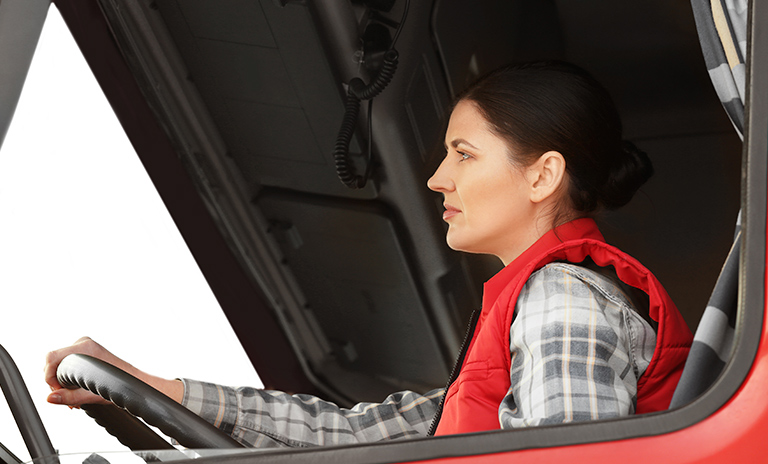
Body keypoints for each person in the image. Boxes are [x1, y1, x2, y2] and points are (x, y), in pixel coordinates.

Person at [44, 61, 693, 447]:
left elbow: (558, 462)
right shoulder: (528, 322)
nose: (439, 178)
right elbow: (352, 436)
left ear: (542, 176)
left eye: (463, 154)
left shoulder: (565, 302)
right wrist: (147, 390)